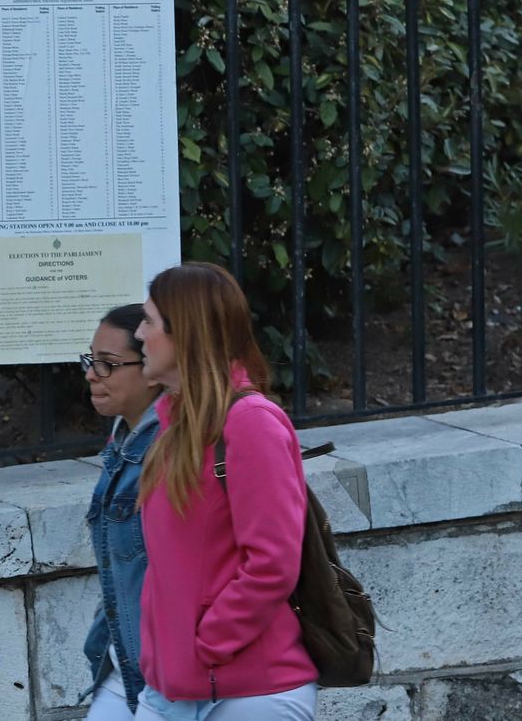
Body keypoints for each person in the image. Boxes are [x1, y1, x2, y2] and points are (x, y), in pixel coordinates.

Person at [133, 262, 317, 721]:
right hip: (171, 688)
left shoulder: (251, 423)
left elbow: (272, 562)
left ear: (185, 335)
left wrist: (208, 642)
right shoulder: (172, 425)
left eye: (149, 321)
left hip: (250, 691)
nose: (138, 333)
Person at [81, 304, 160, 721]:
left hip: (169, 668)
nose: (93, 374)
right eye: (91, 360)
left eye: (109, 364)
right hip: (123, 657)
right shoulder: (124, 439)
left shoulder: (171, 448)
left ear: (154, 366)